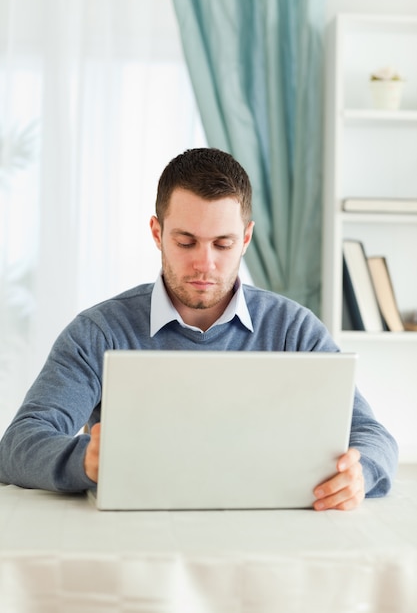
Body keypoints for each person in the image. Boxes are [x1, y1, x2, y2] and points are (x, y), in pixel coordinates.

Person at [0, 148, 398, 510]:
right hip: (134, 541)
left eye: (222, 244)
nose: (204, 264)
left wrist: (359, 474)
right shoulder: (99, 332)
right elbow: (17, 446)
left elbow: (372, 436)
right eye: (186, 242)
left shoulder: (293, 329)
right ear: (157, 233)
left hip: (272, 539)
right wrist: (84, 460)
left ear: (246, 238)